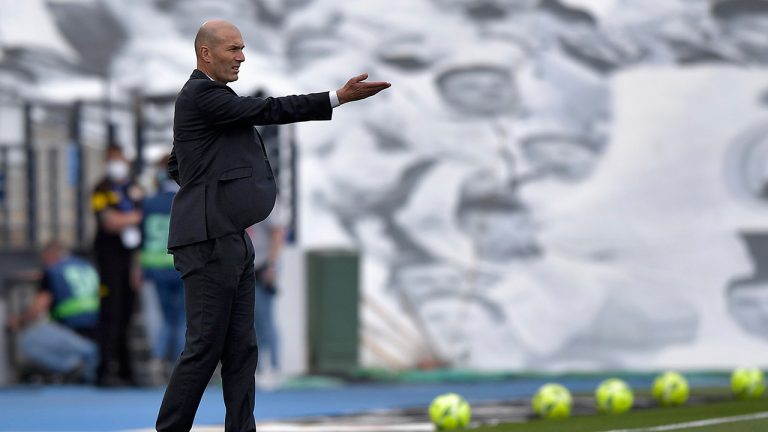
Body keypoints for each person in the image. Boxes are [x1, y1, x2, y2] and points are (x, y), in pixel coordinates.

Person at [156, 19, 389, 432]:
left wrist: (212, 192)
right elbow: (267, 109)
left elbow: (179, 164)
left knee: (242, 348)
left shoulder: (209, 103)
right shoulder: (201, 95)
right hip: (209, 241)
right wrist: (335, 98)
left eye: (242, 49)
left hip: (232, 238)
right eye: (233, 49)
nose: (242, 57)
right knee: (205, 346)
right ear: (206, 54)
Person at [6, 241, 100, 384]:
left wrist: (19, 321)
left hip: (73, 331)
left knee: (27, 340)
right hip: (99, 331)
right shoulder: (87, 266)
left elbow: (39, 307)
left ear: (50, 256)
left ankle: (72, 365)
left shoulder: (53, 271)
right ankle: (87, 362)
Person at [90, 144, 143, 386]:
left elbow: (141, 217)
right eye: (111, 160)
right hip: (108, 259)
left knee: (127, 315)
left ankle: (125, 370)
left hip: (129, 259)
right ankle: (105, 369)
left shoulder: (133, 189)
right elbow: (109, 222)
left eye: (119, 159)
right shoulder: (101, 189)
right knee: (110, 313)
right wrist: (133, 216)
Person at [140, 154, 184, 380]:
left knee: (166, 317)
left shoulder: (149, 202)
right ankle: (178, 363)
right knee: (182, 318)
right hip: (181, 266)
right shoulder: (184, 199)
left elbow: (141, 237)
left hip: (156, 268)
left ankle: (158, 358)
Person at [246, 203, 285, 388]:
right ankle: (259, 368)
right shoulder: (241, 198)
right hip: (247, 266)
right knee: (252, 321)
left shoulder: (266, 201)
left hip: (262, 266)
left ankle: (274, 367)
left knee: (266, 320)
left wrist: (272, 264)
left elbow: (278, 232)